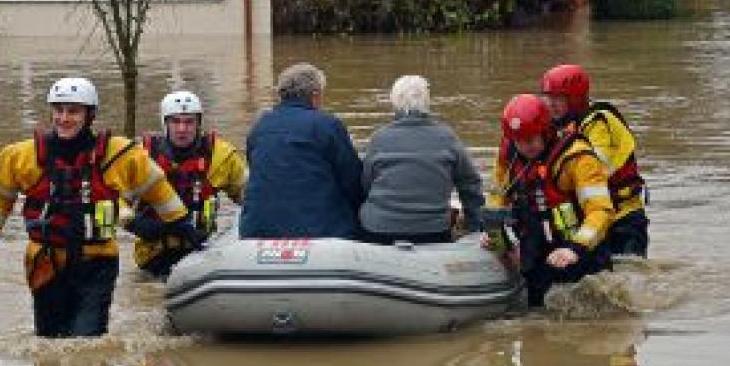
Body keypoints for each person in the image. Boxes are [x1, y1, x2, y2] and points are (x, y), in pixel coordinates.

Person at [0, 76, 189, 338]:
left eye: (73, 111)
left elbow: (158, 188)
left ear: (90, 115)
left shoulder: (121, 154)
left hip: (98, 260)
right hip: (45, 260)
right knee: (49, 339)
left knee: (87, 339)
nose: (64, 118)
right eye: (58, 110)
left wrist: (183, 227)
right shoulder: (19, 156)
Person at [485, 94, 615, 307]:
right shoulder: (509, 153)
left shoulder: (577, 158)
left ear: (546, 131)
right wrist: (496, 236)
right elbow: (497, 195)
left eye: (531, 139)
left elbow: (601, 211)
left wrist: (575, 248)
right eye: (519, 141)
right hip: (536, 251)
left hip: (578, 254)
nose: (525, 146)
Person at [127, 90, 247, 277]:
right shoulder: (141, 156)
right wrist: (134, 223)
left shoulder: (220, 155)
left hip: (200, 251)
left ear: (199, 124)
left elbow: (250, 196)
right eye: (175, 121)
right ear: (165, 123)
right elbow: (114, 200)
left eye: (189, 122)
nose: (182, 129)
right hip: (153, 255)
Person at [239, 62, 363, 239]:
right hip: (320, 232)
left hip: (257, 230)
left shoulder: (260, 126)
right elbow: (352, 181)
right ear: (314, 96)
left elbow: (256, 170)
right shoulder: (327, 125)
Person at [358, 75, 483, 244]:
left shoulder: (379, 138)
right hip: (433, 231)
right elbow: (470, 184)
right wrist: (475, 226)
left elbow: (366, 185)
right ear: (427, 103)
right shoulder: (447, 137)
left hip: (379, 230)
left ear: (394, 103)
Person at [540, 64, 649, 257]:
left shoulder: (599, 123)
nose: (550, 103)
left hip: (622, 219)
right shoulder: (565, 127)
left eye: (557, 98)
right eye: (547, 97)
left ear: (575, 98)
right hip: (595, 216)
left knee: (628, 276)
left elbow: (592, 172)